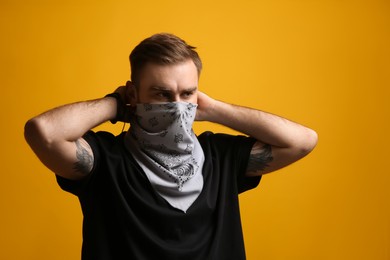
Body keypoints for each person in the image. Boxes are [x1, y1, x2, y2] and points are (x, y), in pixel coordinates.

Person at [24, 33, 318, 260]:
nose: (177, 107)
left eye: (187, 93)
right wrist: (114, 104)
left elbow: (303, 141)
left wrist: (213, 109)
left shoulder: (221, 157)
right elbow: (44, 133)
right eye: (162, 94)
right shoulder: (104, 161)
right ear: (134, 94)